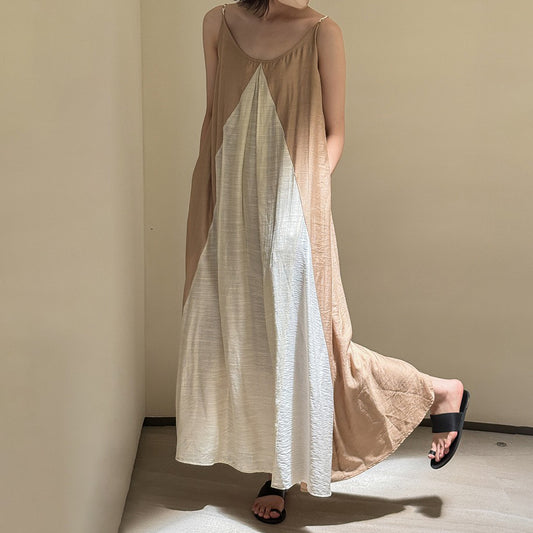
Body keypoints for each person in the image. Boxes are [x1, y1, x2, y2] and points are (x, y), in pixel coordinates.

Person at [175, 0, 470, 525]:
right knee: (245, 336)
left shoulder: (322, 32)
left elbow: (335, 133)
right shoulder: (217, 22)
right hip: (230, 207)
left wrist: (303, 203)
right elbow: (213, 116)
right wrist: (209, 197)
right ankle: (278, 467)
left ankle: (434, 392)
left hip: (295, 207)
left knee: (312, 344)